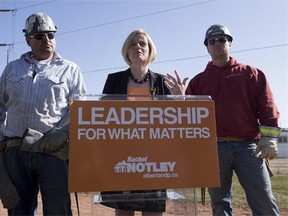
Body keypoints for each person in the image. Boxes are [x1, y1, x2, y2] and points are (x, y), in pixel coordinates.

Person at [184, 24, 281, 215]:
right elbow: (188, 116)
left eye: (222, 39)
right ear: (207, 47)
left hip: (249, 148)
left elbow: (267, 104)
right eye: (212, 41)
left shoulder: (251, 73)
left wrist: (269, 137)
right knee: (220, 204)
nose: (217, 43)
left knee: (263, 200)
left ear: (230, 43)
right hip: (214, 149)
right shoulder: (198, 81)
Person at [0, 12, 87, 215]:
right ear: (28, 40)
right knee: (19, 210)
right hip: (16, 150)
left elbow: (79, 107)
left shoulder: (70, 69)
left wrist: (63, 132)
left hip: (53, 151)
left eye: (50, 35)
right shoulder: (12, 69)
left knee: (58, 210)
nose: (46, 40)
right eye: (39, 36)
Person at [101, 29, 186, 216]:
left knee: (153, 212)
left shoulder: (164, 82)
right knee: (123, 212)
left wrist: (180, 102)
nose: (138, 47)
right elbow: (102, 120)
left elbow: (176, 123)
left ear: (150, 50)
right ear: (127, 51)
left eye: (142, 44)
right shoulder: (114, 80)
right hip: (122, 157)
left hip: (155, 160)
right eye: (133, 43)